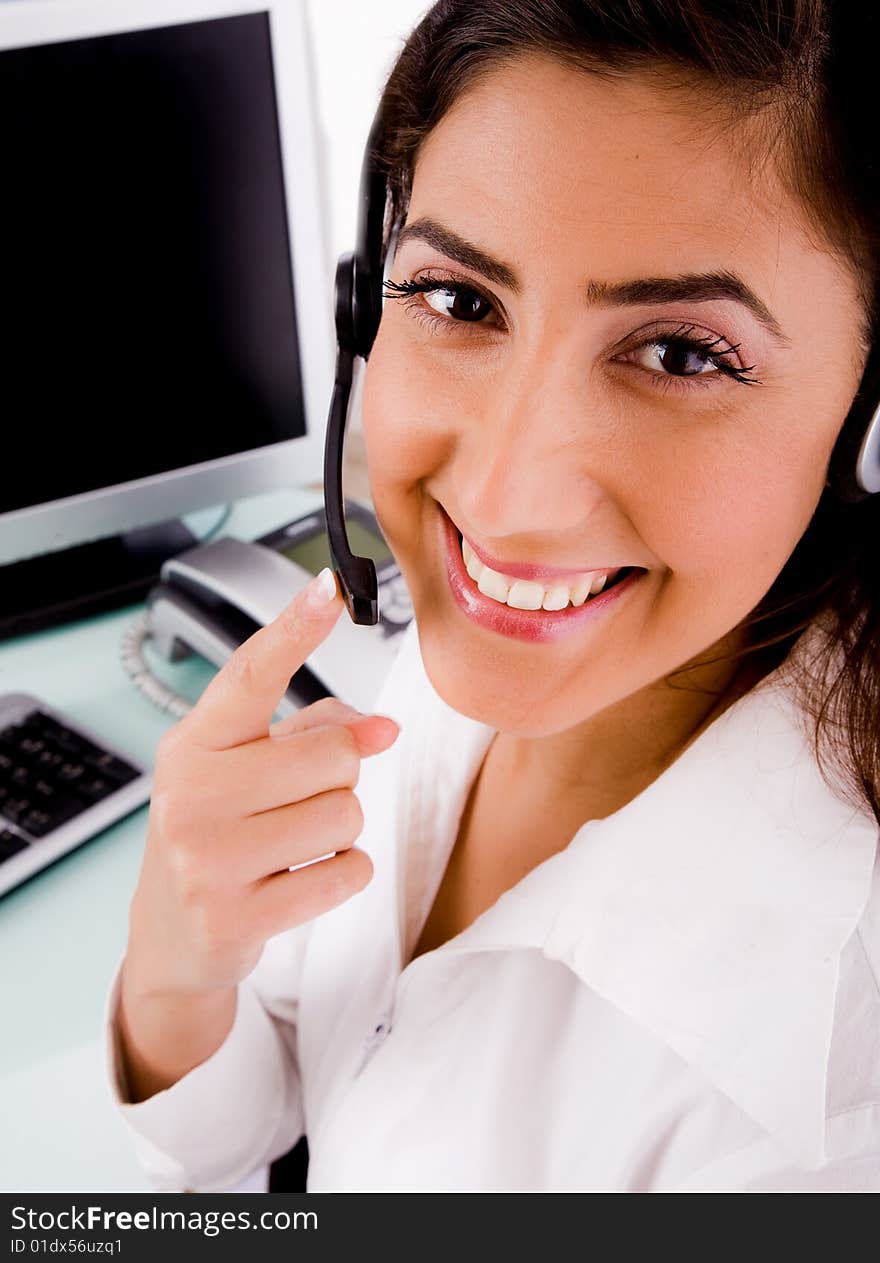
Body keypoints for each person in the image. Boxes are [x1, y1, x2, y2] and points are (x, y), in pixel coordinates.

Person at [103, 0, 880, 1191]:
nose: (507, 500)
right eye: (459, 300)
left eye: (679, 354)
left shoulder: (817, 1116)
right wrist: (176, 970)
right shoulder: (466, 649)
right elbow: (278, 1124)